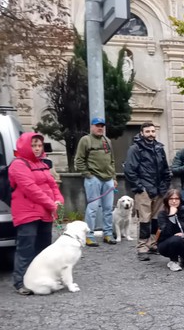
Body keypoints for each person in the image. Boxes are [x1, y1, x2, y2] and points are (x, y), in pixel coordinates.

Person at [9, 132, 64, 295]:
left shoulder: (43, 164)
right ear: (25, 146)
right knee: (26, 248)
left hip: (45, 211)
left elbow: (53, 185)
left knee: (44, 248)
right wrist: (51, 204)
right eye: (33, 145)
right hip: (27, 212)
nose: (37, 148)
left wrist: (59, 200)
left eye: (39, 145)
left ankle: (42, 277)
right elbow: (30, 189)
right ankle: (20, 282)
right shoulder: (18, 164)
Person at [123, 122, 172, 261]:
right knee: (144, 220)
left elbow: (165, 169)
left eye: (152, 131)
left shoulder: (159, 148)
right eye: (147, 131)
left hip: (159, 190)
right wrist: (139, 187)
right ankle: (142, 247)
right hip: (144, 190)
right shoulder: (135, 148)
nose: (151, 134)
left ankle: (153, 243)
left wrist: (165, 185)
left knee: (156, 220)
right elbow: (129, 170)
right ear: (142, 133)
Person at [74, 117, 117, 246]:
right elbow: (79, 160)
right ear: (92, 127)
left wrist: (114, 177)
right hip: (94, 179)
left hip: (108, 179)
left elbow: (112, 160)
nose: (100, 128)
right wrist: (88, 175)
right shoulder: (85, 140)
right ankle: (89, 235)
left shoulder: (107, 141)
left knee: (108, 208)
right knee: (92, 208)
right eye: (97, 125)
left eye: (102, 126)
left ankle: (108, 234)